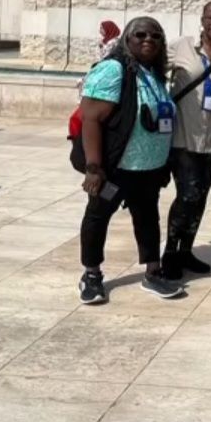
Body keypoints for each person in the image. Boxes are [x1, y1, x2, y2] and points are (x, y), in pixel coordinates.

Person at [76, 17, 183, 304]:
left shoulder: (153, 72)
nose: (148, 40)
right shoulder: (114, 69)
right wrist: (94, 168)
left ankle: (153, 272)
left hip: (147, 169)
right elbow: (91, 119)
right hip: (115, 168)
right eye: (140, 35)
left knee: (148, 219)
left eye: (155, 36)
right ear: (127, 38)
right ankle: (91, 274)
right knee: (98, 217)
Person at [161, 1, 211, 279]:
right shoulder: (182, 47)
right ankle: (170, 253)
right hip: (184, 138)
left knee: (201, 198)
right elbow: (154, 66)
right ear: (202, 19)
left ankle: (186, 250)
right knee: (186, 196)